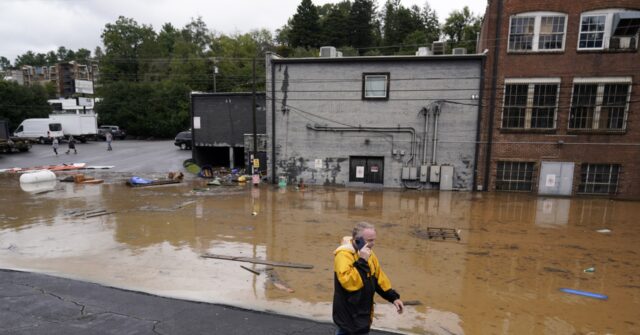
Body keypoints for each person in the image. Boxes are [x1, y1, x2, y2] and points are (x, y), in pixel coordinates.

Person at [333, 222, 404, 335]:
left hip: (363, 312)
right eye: (369, 240)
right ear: (357, 240)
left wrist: (393, 297)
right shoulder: (343, 255)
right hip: (348, 314)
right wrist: (362, 261)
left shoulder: (369, 254)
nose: (373, 244)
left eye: (374, 240)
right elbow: (349, 283)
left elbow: (378, 278)